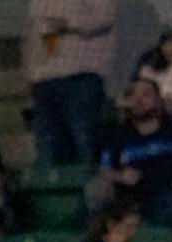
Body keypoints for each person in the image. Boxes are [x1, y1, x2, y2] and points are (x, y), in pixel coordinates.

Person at [94, 74, 172, 228]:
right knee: (96, 190)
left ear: (159, 100)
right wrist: (120, 176)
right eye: (133, 95)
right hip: (129, 198)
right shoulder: (117, 137)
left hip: (166, 194)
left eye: (146, 94)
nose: (138, 100)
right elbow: (105, 171)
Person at [25, 0, 115, 168]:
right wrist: (32, 74)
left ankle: (90, 191)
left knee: (84, 141)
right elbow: (35, 30)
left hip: (80, 75)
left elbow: (105, 15)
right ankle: (54, 191)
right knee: (48, 147)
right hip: (44, 79)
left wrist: (68, 23)